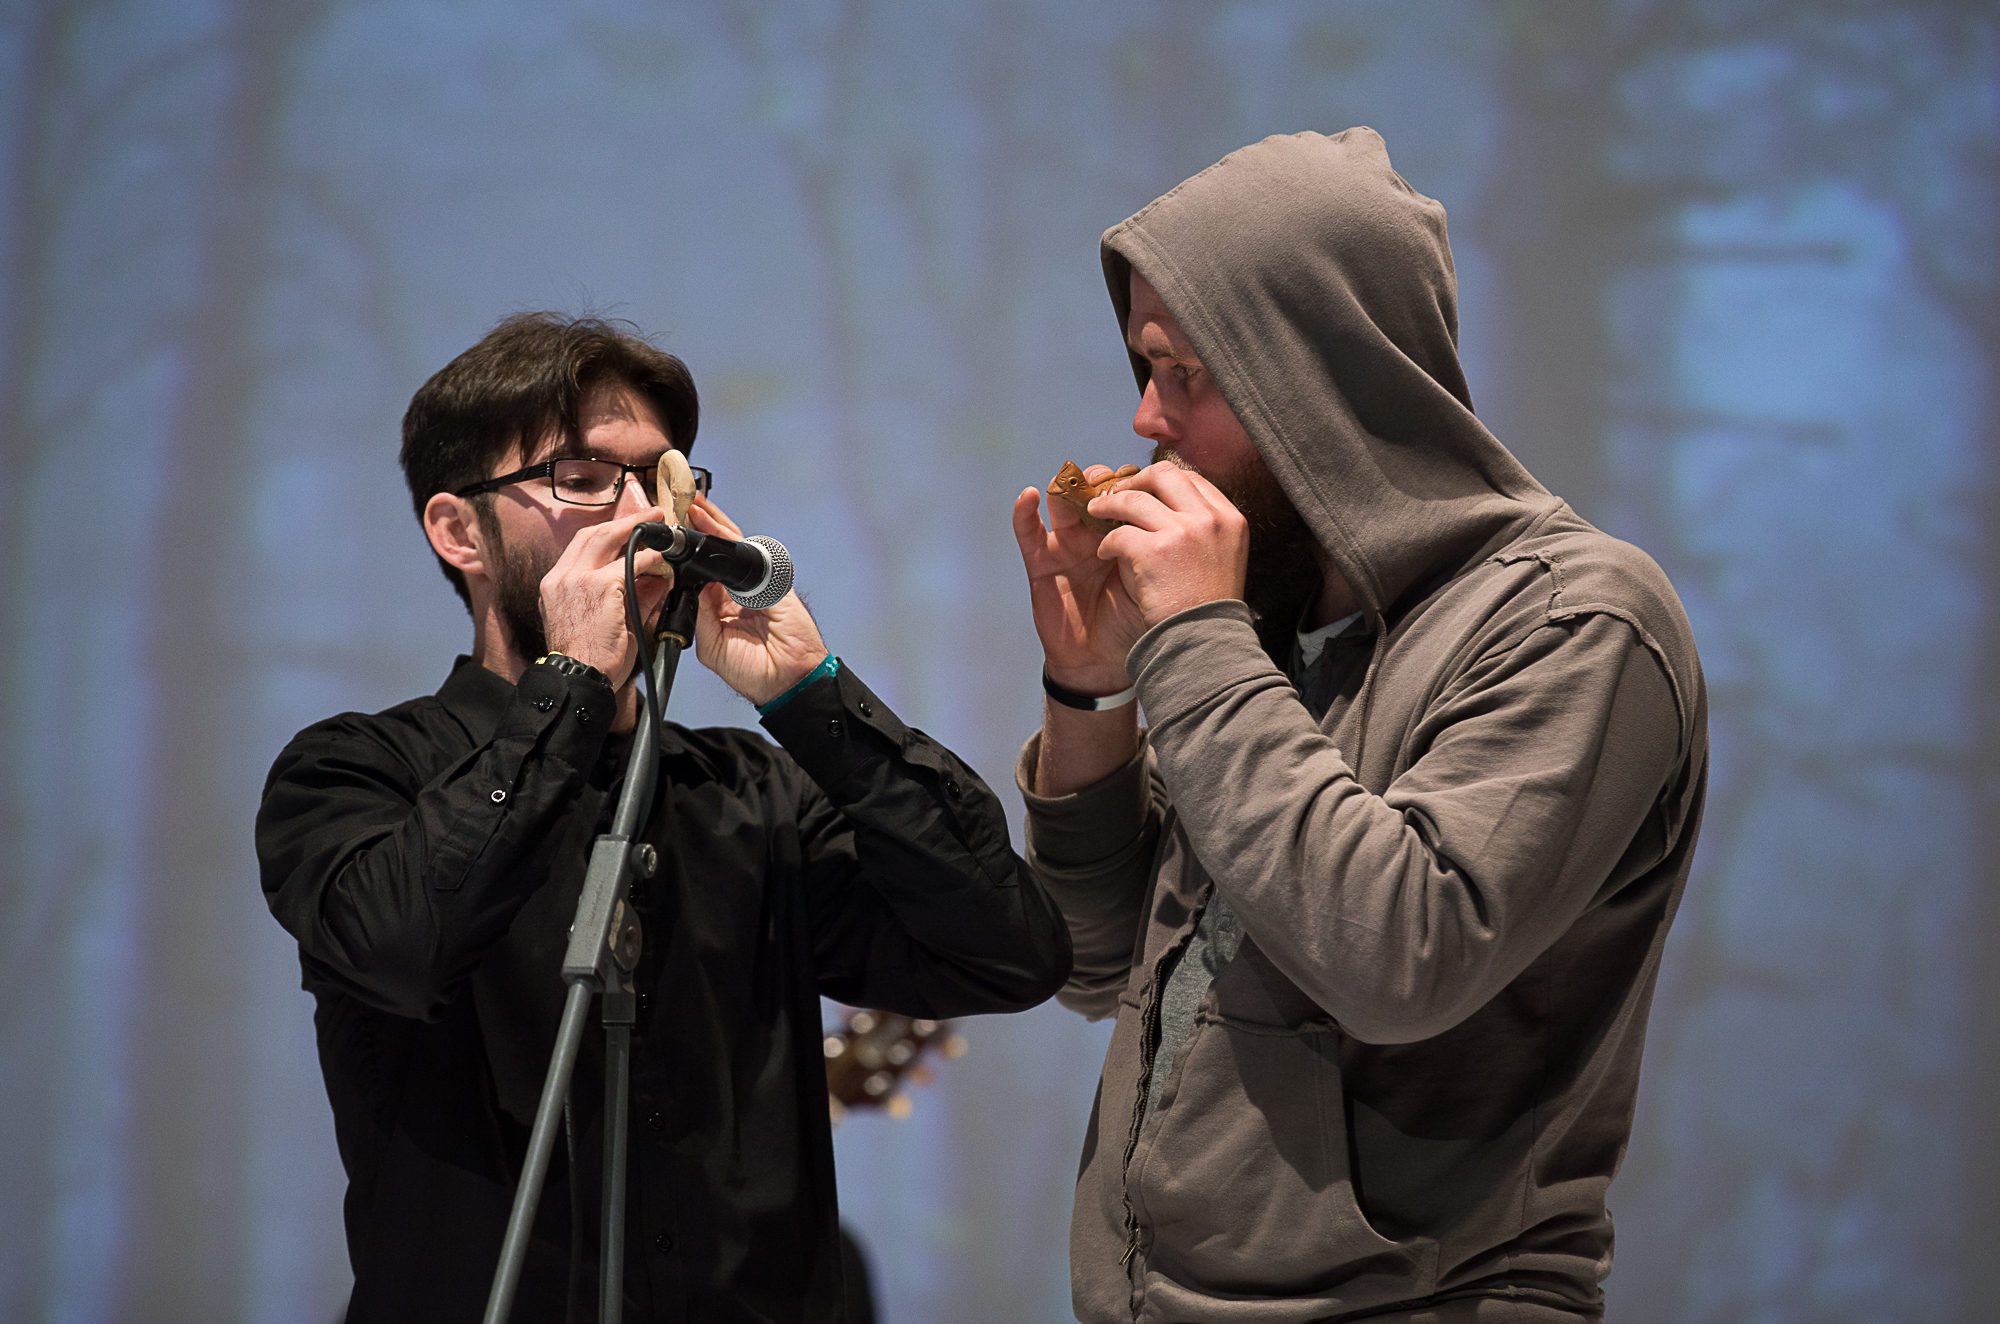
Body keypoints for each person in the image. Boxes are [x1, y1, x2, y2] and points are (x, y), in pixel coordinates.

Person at [1011, 130, 1706, 1322]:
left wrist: (1194, 641)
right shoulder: (1264, 623)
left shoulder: (1575, 615)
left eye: (1183, 372)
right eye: (1141, 366)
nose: (1142, 418)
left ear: (1311, 373)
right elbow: (1087, 962)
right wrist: (1089, 690)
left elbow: (1396, 959)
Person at [258, 312, 1072, 1323]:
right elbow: (404, 949)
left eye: (662, 480)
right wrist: (570, 687)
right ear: (459, 532)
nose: (646, 516)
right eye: (583, 479)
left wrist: (812, 696)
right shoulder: (354, 771)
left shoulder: (751, 792)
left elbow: (1009, 955)